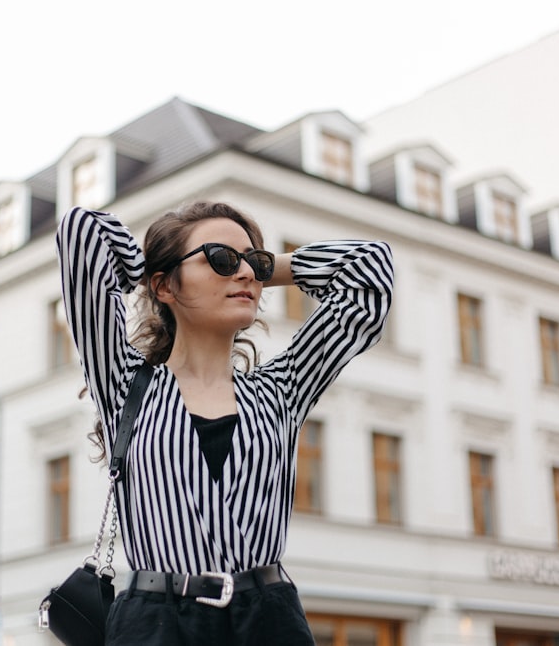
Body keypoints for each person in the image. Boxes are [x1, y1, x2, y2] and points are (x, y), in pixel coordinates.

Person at [56, 199, 393, 645]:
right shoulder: (123, 380)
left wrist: (260, 266)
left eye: (254, 262)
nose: (247, 274)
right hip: (156, 624)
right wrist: (160, 264)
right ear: (163, 287)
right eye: (221, 258)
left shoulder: (282, 390)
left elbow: (368, 270)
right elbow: (83, 233)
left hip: (269, 619)